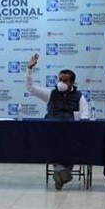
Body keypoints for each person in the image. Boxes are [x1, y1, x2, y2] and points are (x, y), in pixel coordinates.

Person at [26, 53, 90, 190]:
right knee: (52, 144)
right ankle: (63, 173)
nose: (61, 83)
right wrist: (29, 69)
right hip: (53, 131)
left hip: (71, 132)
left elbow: (85, 115)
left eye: (65, 80)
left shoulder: (80, 97)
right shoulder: (50, 93)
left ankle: (60, 173)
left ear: (72, 83)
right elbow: (31, 88)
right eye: (60, 79)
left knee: (73, 145)